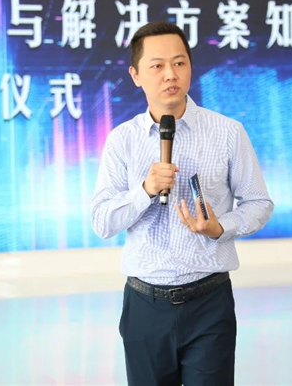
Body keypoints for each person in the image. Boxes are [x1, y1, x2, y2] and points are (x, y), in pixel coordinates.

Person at [91, 21, 274, 385]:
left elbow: (258, 203)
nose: (170, 74)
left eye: (179, 63)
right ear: (136, 75)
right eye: (157, 66)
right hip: (145, 306)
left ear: (190, 67)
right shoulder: (122, 140)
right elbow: (102, 221)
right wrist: (144, 190)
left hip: (209, 301)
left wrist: (220, 227)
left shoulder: (227, 132)